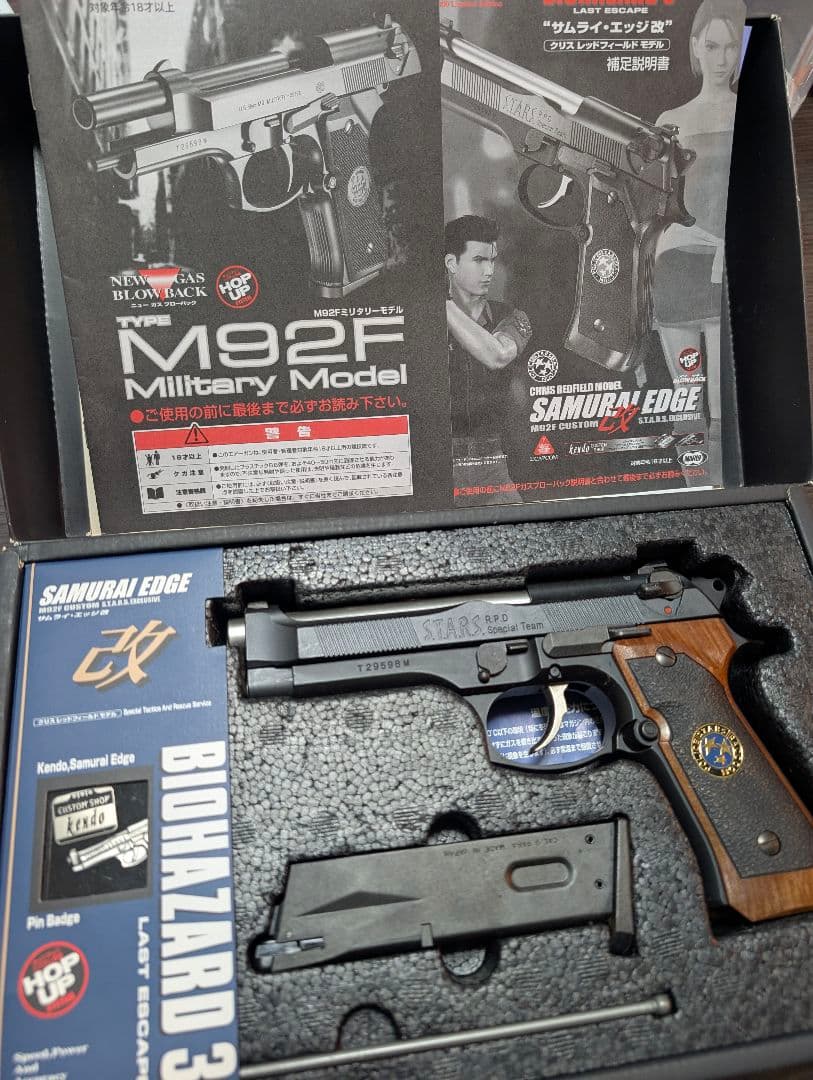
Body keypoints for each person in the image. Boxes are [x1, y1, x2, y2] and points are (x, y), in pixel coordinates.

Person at [653, 0, 746, 484]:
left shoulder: (751, 114)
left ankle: (724, 497)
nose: (722, 58)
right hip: (676, 266)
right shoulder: (670, 119)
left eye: (730, 47)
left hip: (727, 266)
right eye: (712, 46)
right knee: (686, 402)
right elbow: (655, 205)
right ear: (695, 47)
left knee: (723, 407)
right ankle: (694, 496)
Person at [445, 215, 531, 504]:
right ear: (451, 263)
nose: (489, 270)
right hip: (437, 468)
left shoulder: (511, 316)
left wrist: (442, 305)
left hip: (491, 467)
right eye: (479, 260)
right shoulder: (423, 323)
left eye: (492, 260)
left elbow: (498, 355)